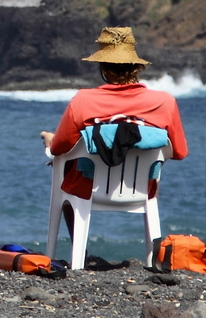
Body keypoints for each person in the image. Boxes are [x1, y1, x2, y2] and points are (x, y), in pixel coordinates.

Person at [41, 26, 188, 202]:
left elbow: (59, 148)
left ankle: (75, 229)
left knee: (65, 164)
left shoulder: (83, 100)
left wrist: (49, 138)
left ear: (104, 68)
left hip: (86, 190)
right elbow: (180, 152)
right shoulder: (165, 102)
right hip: (141, 190)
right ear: (137, 67)